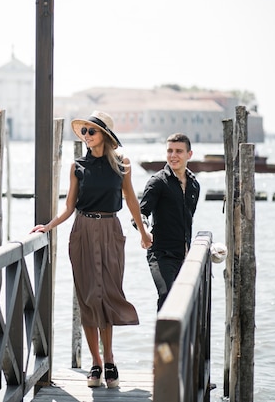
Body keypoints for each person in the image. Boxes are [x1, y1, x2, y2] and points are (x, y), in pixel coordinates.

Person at [31, 111, 152, 388]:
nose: (86, 136)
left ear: (105, 136)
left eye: (91, 132)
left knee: (107, 295)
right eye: (84, 131)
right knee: (87, 297)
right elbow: (69, 206)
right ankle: (96, 363)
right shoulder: (77, 166)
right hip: (82, 231)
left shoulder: (122, 164)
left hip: (111, 230)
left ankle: (110, 359)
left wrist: (143, 233)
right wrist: (48, 226)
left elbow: (132, 199)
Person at [139, 133, 200, 311]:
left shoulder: (194, 185)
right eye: (170, 151)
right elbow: (141, 213)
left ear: (189, 154)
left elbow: (188, 220)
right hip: (161, 253)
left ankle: (181, 339)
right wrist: (144, 231)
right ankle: (164, 339)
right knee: (167, 295)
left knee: (187, 303)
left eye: (179, 151)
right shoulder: (157, 182)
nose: (173, 155)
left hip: (184, 255)